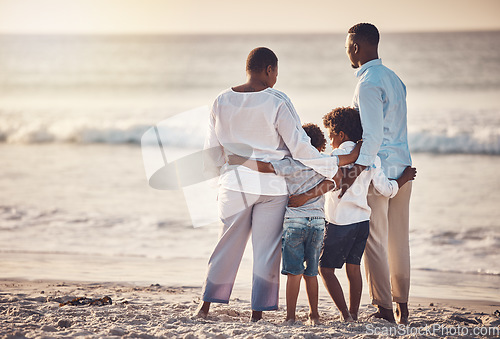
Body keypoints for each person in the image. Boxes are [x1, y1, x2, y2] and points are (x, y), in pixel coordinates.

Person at [195, 47, 348, 322]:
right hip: (272, 188)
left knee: (226, 246)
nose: (276, 77)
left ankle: (204, 307)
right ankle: (257, 314)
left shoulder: (220, 100)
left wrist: (220, 182)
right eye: (276, 71)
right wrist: (331, 166)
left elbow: (212, 151)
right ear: (269, 69)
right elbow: (300, 148)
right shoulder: (278, 100)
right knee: (266, 251)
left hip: (234, 184)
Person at [289, 107, 416, 322]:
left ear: (340, 134)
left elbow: (328, 183)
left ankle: (345, 314)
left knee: (325, 269)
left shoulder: (336, 157)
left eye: (330, 135)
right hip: (362, 222)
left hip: (340, 223)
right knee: (353, 266)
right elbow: (385, 189)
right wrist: (404, 179)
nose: (329, 141)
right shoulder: (372, 158)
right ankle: (354, 313)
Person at [228, 123, 361, 325]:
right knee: (311, 273)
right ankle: (314, 315)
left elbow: (266, 167)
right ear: (320, 145)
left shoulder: (290, 162)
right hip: (317, 222)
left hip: (294, 221)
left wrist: (241, 160)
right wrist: (362, 144)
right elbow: (338, 176)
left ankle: (290, 317)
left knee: (293, 273)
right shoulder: (323, 160)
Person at [340, 23, 413, 324]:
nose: (346, 51)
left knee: (376, 240)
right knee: (399, 240)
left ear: (356, 47)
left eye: (347, 46)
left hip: (379, 172)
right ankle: (402, 306)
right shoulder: (395, 79)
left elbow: (371, 138)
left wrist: (353, 172)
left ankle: (383, 307)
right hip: (404, 169)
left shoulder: (367, 83)